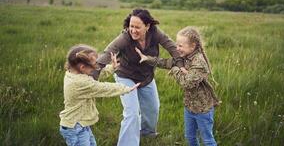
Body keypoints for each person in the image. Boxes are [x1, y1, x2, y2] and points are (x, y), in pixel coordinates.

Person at [92, 9, 184, 146]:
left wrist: (180, 64)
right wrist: (94, 74)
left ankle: (146, 133)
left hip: (146, 77)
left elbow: (171, 46)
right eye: (131, 26)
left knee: (153, 108)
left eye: (137, 27)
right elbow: (107, 53)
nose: (133, 30)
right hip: (126, 76)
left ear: (147, 26)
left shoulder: (155, 33)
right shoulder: (125, 38)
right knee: (132, 113)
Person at [135, 26, 219, 146]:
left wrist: (175, 70)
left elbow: (187, 83)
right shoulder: (184, 58)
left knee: (207, 139)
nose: (177, 48)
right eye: (177, 44)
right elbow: (166, 62)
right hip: (189, 107)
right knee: (189, 136)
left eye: (180, 45)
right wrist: (147, 58)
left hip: (203, 109)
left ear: (193, 46)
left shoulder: (199, 62)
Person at [59, 44, 140, 146]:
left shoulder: (73, 73)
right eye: (94, 66)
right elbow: (104, 88)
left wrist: (112, 68)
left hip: (81, 124)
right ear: (82, 67)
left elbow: (94, 74)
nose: (96, 68)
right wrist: (126, 89)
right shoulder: (80, 83)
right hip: (75, 128)